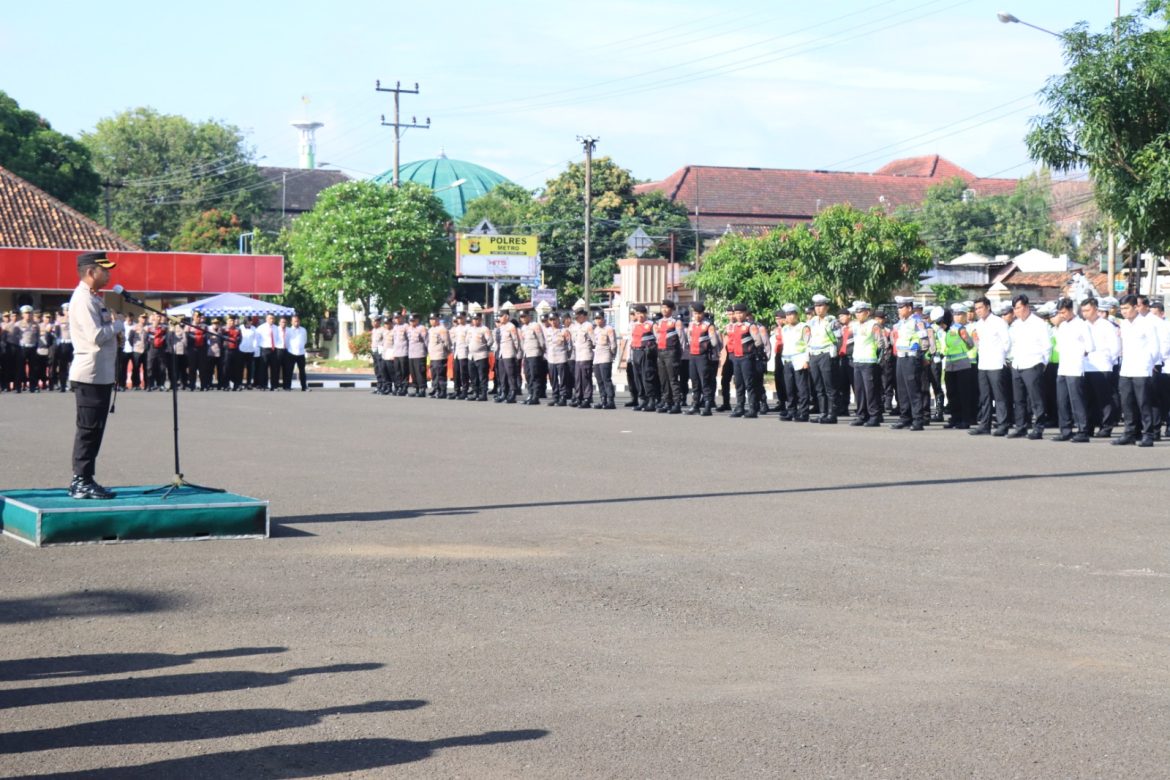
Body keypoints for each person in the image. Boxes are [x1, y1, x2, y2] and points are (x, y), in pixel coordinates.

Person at [68, 251, 118, 499]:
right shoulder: (84, 299)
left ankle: (85, 479)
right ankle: (81, 480)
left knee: (94, 429)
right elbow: (96, 336)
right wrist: (117, 326)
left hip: (99, 374)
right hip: (90, 374)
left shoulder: (93, 298)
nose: (108, 274)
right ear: (90, 272)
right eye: (104, 269)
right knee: (88, 429)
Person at [1114, 294, 1160, 446]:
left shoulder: (1147, 324)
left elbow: (1155, 347)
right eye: (1122, 309)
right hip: (1126, 369)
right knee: (1127, 403)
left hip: (1141, 369)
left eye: (1126, 308)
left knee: (1144, 403)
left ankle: (1148, 434)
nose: (1124, 311)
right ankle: (1130, 433)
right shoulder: (1124, 324)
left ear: (1135, 307)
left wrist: (1148, 364)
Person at [1006, 294, 1049, 439]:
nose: (1016, 311)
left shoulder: (1038, 323)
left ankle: (1039, 428)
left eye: (1019, 308)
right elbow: (1011, 345)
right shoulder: (1015, 325)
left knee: (1036, 399)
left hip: (1033, 363)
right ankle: (1021, 427)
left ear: (1026, 306)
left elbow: (1047, 346)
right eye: (1015, 309)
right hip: (1017, 364)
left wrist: (1043, 363)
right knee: (1019, 399)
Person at [969, 296, 1012, 436]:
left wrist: (1000, 356)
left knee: (999, 396)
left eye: (980, 308)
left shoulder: (999, 322)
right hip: (983, 364)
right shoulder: (979, 324)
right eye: (976, 309)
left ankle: (1003, 424)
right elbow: (978, 343)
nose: (978, 311)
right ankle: (984, 424)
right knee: (985, 396)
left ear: (988, 307)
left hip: (996, 363)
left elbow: (1007, 343)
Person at [1052, 298, 1092, 442]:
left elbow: (1090, 346)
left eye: (1063, 312)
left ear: (1070, 310)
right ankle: (1065, 430)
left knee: (1077, 401)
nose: (1061, 315)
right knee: (1062, 400)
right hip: (1063, 367)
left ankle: (1083, 430)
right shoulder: (1062, 326)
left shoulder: (1082, 325)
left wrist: (1078, 353)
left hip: (1075, 366)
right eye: (1059, 312)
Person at [1080, 297, 1120, 437]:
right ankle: (1090, 425)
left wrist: (1109, 360)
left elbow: (1115, 346)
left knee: (1104, 398)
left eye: (1088, 310)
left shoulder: (1106, 325)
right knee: (1089, 399)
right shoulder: (1083, 325)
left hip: (1102, 365)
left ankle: (1106, 426)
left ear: (1096, 309)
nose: (1085, 313)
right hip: (1087, 365)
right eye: (1083, 310)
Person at [889, 296, 926, 431]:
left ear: (909, 308)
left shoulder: (917, 321)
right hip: (900, 357)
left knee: (913, 389)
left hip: (911, 358)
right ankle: (905, 417)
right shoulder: (901, 322)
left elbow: (924, 338)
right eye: (898, 307)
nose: (899, 310)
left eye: (901, 307)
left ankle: (917, 419)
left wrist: (918, 348)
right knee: (902, 389)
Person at [941, 303, 977, 430]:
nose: (957, 317)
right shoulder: (950, 329)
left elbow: (971, 344)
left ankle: (965, 419)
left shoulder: (962, 329)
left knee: (964, 394)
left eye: (959, 314)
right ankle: (955, 418)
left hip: (962, 365)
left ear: (964, 315)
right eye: (955, 314)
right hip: (950, 365)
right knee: (952, 393)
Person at [848, 301, 884, 427]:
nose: (857, 315)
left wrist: (877, 360)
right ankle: (861, 415)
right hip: (857, 361)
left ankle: (874, 415)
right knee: (859, 391)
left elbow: (880, 344)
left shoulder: (873, 325)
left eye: (860, 312)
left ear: (867, 312)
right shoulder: (856, 325)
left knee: (871, 390)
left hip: (869, 361)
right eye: (856, 312)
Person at [806, 293, 839, 424]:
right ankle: (822, 413)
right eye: (816, 306)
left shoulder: (832, 321)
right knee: (818, 386)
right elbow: (808, 338)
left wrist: (834, 351)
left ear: (827, 307)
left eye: (821, 306)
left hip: (826, 353)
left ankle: (832, 414)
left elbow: (839, 338)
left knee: (829, 385)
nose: (818, 309)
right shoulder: (812, 321)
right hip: (814, 354)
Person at [724, 303, 759, 418]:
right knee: (738, 383)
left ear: (745, 313)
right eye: (736, 313)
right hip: (736, 358)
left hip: (747, 358)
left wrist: (752, 351)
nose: (738, 315)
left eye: (740, 313)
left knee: (749, 383)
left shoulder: (750, 326)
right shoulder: (732, 327)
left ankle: (753, 408)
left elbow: (758, 341)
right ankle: (740, 407)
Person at [778, 303, 811, 422]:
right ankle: (791, 410)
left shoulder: (804, 327)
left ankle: (804, 412)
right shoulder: (785, 328)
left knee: (802, 388)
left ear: (797, 315)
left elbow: (808, 344)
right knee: (789, 388)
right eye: (787, 315)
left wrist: (807, 360)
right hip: (787, 359)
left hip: (800, 359)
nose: (789, 317)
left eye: (792, 314)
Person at [685, 303, 719, 416]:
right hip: (693, 355)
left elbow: (714, 342)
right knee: (694, 381)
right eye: (695, 313)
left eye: (699, 313)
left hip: (703, 356)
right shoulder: (691, 324)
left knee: (705, 381)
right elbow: (689, 339)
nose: (697, 316)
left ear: (703, 313)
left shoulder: (708, 325)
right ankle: (695, 404)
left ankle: (708, 405)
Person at [654, 299, 684, 413]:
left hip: (671, 352)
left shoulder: (676, 322)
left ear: (671, 309)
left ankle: (677, 403)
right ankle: (667, 402)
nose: (664, 310)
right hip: (661, 352)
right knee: (664, 379)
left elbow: (681, 339)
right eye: (662, 307)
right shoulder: (659, 322)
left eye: (666, 307)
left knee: (673, 379)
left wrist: (679, 353)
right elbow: (657, 337)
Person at [629, 305, 659, 411]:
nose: (640, 316)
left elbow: (658, 340)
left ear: (645, 313)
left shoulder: (651, 324)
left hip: (646, 353)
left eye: (642, 313)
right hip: (636, 352)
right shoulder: (633, 325)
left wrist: (652, 349)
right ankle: (643, 400)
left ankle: (651, 400)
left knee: (648, 377)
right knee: (638, 377)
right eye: (637, 313)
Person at [518, 310, 546, 405]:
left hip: (534, 353)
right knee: (528, 375)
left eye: (524, 316)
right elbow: (522, 342)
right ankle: (530, 394)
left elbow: (541, 340)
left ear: (529, 316)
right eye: (521, 317)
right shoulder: (523, 328)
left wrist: (541, 351)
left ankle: (536, 396)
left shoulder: (535, 326)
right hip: (526, 354)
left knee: (535, 375)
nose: (523, 319)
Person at [591, 311, 617, 410]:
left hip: (605, 356)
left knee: (606, 379)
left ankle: (611, 401)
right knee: (599, 380)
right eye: (596, 318)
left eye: (599, 318)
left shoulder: (609, 329)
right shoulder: (595, 329)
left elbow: (613, 344)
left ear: (603, 318)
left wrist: (612, 355)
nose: (598, 320)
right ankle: (603, 400)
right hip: (597, 357)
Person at [569, 307, 595, 408]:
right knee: (578, 378)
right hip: (578, 356)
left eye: (578, 317)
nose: (576, 319)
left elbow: (594, 341)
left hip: (586, 355)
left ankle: (587, 398)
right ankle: (579, 397)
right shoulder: (575, 326)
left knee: (585, 378)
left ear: (583, 316)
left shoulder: (588, 326)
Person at [494, 308, 521, 403]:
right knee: (502, 375)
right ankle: (504, 393)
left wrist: (516, 353)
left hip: (509, 353)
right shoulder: (501, 327)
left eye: (501, 316)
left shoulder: (511, 326)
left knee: (511, 375)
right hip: (501, 354)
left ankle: (513, 393)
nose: (500, 318)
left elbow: (516, 341)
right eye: (499, 316)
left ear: (506, 316)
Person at [466, 311, 493, 401]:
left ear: (481, 319)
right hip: (471, 356)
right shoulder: (470, 329)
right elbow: (467, 341)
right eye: (474, 319)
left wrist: (483, 347)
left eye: (477, 319)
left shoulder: (484, 329)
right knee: (473, 376)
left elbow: (490, 341)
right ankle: (475, 392)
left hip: (481, 356)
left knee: (482, 376)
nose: (475, 321)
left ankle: (483, 394)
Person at [426, 313, 451, 398]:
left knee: (440, 374)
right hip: (432, 355)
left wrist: (446, 352)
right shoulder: (431, 330)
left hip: (440, 355)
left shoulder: (442, 329)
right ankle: (436, 389)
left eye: (433, 319)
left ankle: (442, 391)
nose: (431, 321)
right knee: (434, 374)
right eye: (430, 319)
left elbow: (447, 342)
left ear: (437, 319)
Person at [255, 313, 282, 391]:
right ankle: (263, 385)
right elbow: (257, 339)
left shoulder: (276, 328)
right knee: (263, 368)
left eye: (273, 318)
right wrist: (259, 346)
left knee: (274, 369)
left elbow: (278, 338)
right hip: (265, 349)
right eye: (270, 318)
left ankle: (274, 386)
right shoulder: (261, 328)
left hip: (274, 350)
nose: (272, 320)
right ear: (266, 319)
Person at [406, 313, 428, 397]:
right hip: (411, 354)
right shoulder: (409, 329)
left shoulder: (421, 328)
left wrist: (427, 352)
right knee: (413, 372)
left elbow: (426, 341)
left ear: (417, 320)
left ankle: (422, 389)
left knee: (420, 372)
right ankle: (416, 388)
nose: (411, 322)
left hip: (419, 353)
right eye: (410, 321)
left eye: (413, 320)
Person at [450, 312, 471, 400]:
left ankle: (465, 390)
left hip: (464, 353)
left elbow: (468, 340)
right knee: (456, 373)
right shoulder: (456, 328)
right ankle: (456, 390)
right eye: (458, 318)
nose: (459, 320)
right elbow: (454, 340)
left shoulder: (468, 327)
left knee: (464, 373)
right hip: (457, 353)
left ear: (465, 318)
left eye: (461, 318)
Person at [285, 315, 309, 391]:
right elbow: (286, 341)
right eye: (295, 321)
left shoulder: (303, 330)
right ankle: (288, 386)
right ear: (291, 322)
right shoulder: (288, 330)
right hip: (291, 352)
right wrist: (290, 349)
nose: (296, 322)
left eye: (298, 321)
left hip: (301, 353)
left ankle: (304, 387)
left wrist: (301, 347)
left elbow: (305, 340)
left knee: (302, 371)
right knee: (289, 371)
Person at [52, 306, 73, 392]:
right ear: (63, 311)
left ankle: (72, 385)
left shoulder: (75, 318)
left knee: (73, 366)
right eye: (66, 310)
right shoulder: (59, 320)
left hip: (73, 343)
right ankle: (63, 386)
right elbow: (57, 332)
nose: (68, 311)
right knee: (62, 366)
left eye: (69, 309)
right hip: (63, 343)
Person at [389, 312, 409, 396]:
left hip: (404, 352)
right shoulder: (395, 328)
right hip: (396, 353)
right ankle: (398, 386)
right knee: (397, 371)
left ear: (401, 317)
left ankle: (404, 388)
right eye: (395, 318)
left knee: (404, 371)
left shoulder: (406, 326)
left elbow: (409, 339)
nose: (396, 319)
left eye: (398, 317)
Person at [369, 315, 387, 395]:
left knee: (381, 369)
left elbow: (385, 341)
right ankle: (379, 385)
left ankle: (384, 386)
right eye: (372, 321)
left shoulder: (383, 330)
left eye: (375, 321)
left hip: (381, 352)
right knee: (377, 369)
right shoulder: (374, 330)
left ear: (379, 322)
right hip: (374, 351)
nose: (373, 323)